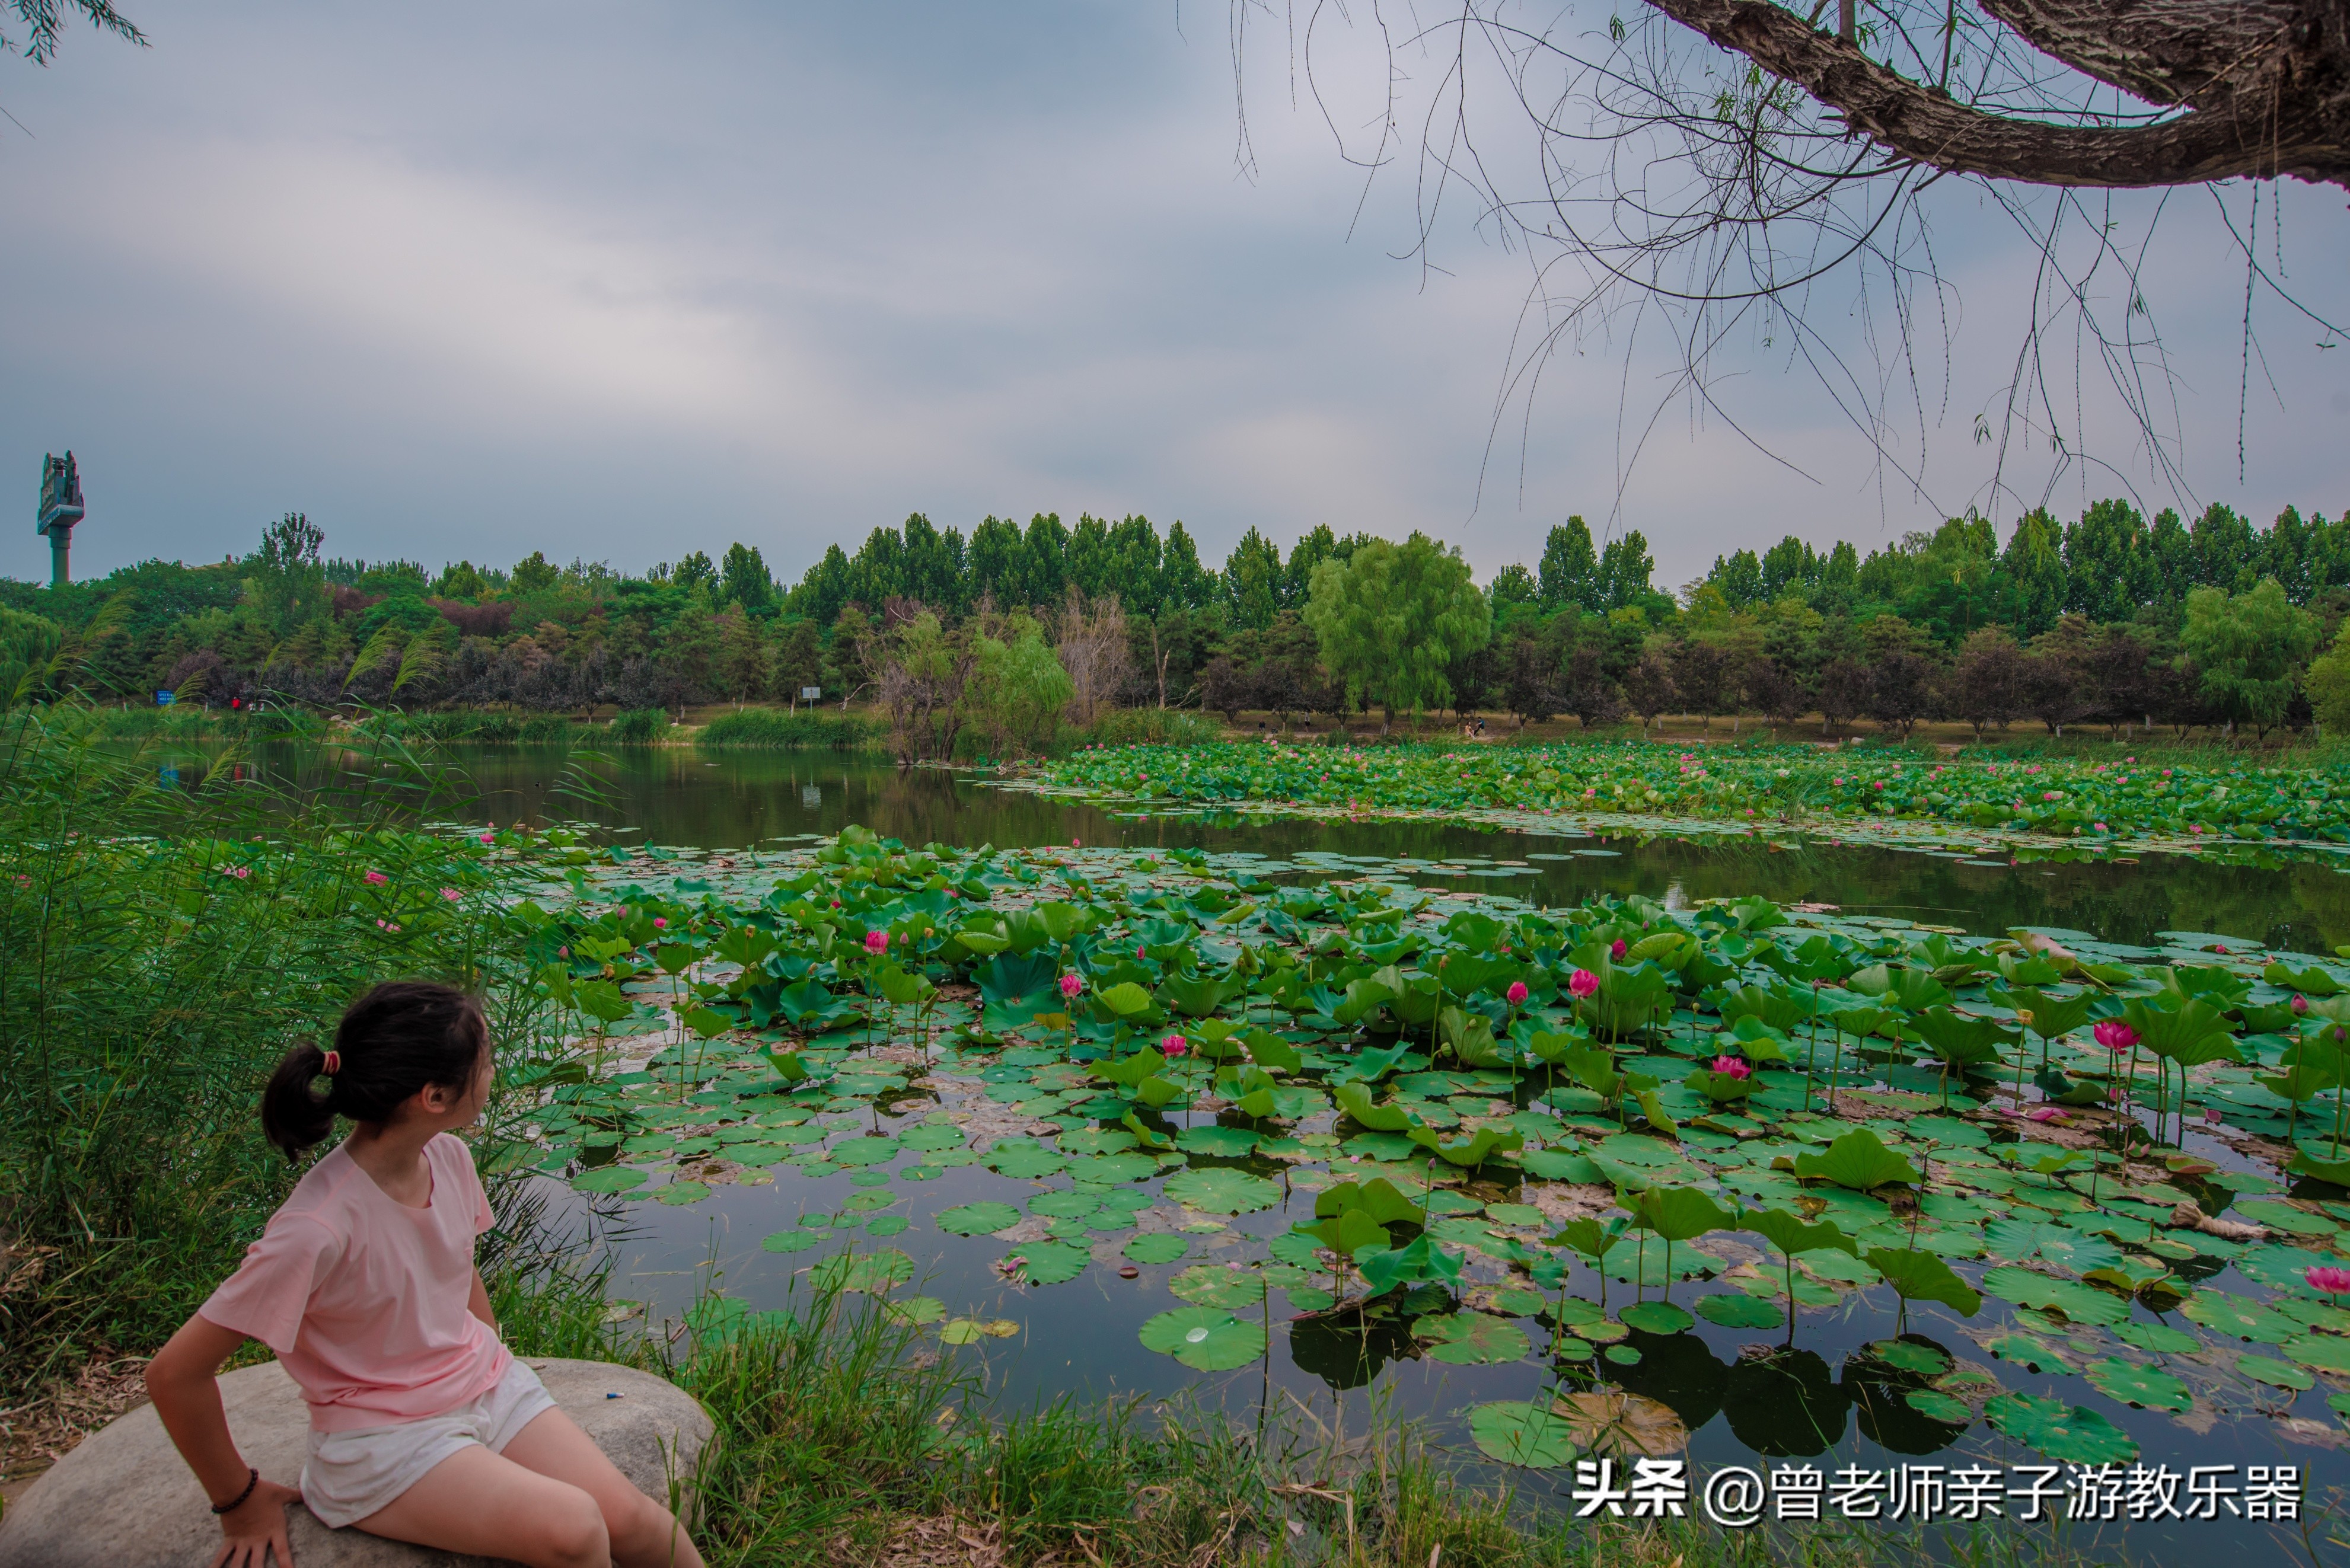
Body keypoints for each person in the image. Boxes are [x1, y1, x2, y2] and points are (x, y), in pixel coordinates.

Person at [144, 981, 705, 1568]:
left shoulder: (448, 1157)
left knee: (640, 1524)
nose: (494, 1072)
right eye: (487, 1062)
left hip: (481, 1387)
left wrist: (494, 1357)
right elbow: (175, 1373)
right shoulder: (317, 1227)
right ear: (435, 1095)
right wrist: (237, 1499)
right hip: (385, 1439)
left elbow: (456, 1270)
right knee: (577, 1530)